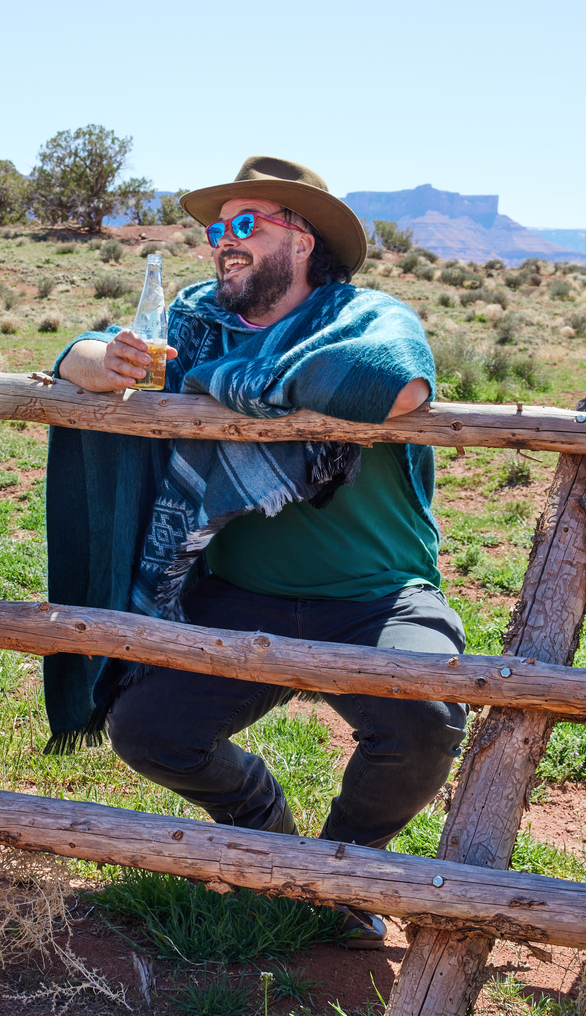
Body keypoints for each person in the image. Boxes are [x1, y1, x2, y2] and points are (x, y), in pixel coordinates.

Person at [44, 157, 465, 946]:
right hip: (240, 592)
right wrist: (109, 364)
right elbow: (78, 352)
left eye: (246, 225)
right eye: (216, 229)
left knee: (426, 719)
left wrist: (206, 378)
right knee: (147, 728)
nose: (223, 245)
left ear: (302, 240)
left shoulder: (368, 316)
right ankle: (259, 817)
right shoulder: (199, 318)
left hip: (374, 593)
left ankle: (340, 868)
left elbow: (391, 383)